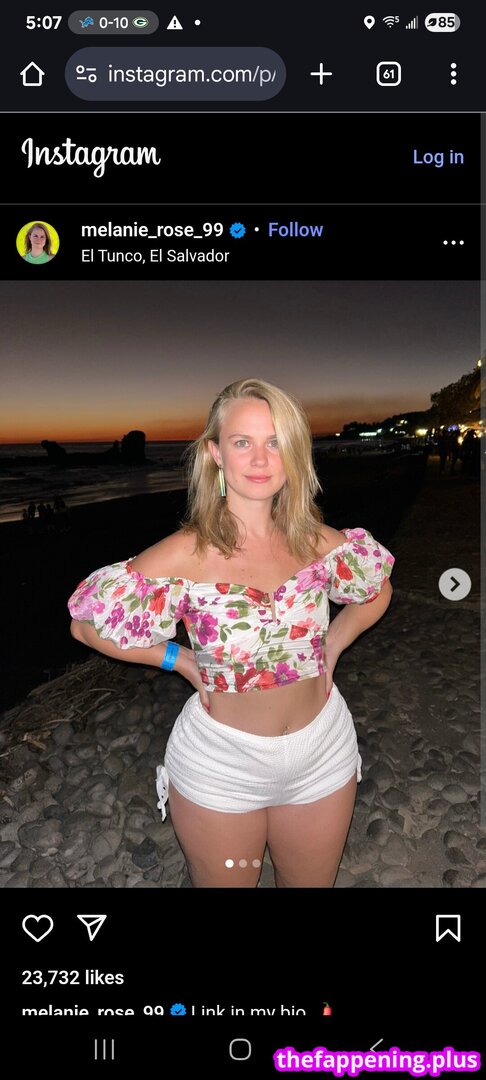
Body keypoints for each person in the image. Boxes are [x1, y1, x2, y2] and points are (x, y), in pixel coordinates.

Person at [68, 378, 395, 888]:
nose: (261, 459)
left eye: (275, 442)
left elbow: (376, 589)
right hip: (223, 766)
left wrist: (332, 645)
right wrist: (179, 659)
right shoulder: (187, 552)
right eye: (243, 442)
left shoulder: (314, 540)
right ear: (216, 453)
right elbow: (86, 624)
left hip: (323, 750)